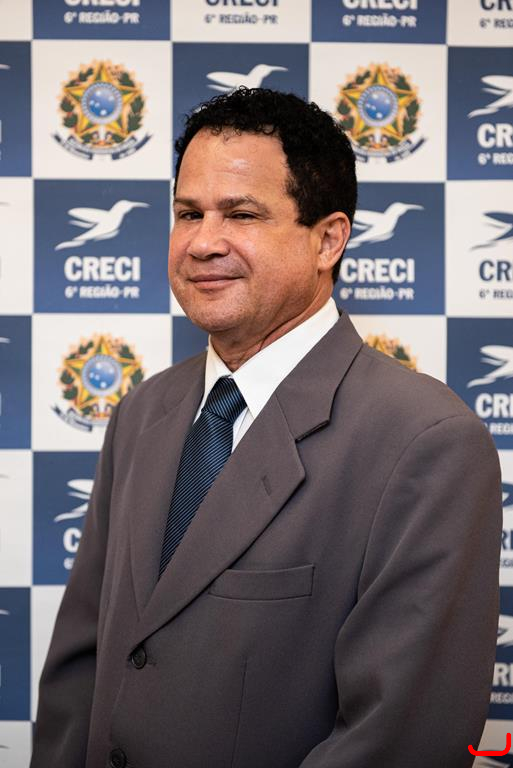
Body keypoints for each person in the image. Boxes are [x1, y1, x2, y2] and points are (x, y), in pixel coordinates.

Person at [31, 88, 501, 768]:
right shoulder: (142, 411)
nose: (202, 242)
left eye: (241, 214)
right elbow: (83, 668)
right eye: (188, 213)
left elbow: (400, 740)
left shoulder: (427, 442)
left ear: (328, 239)